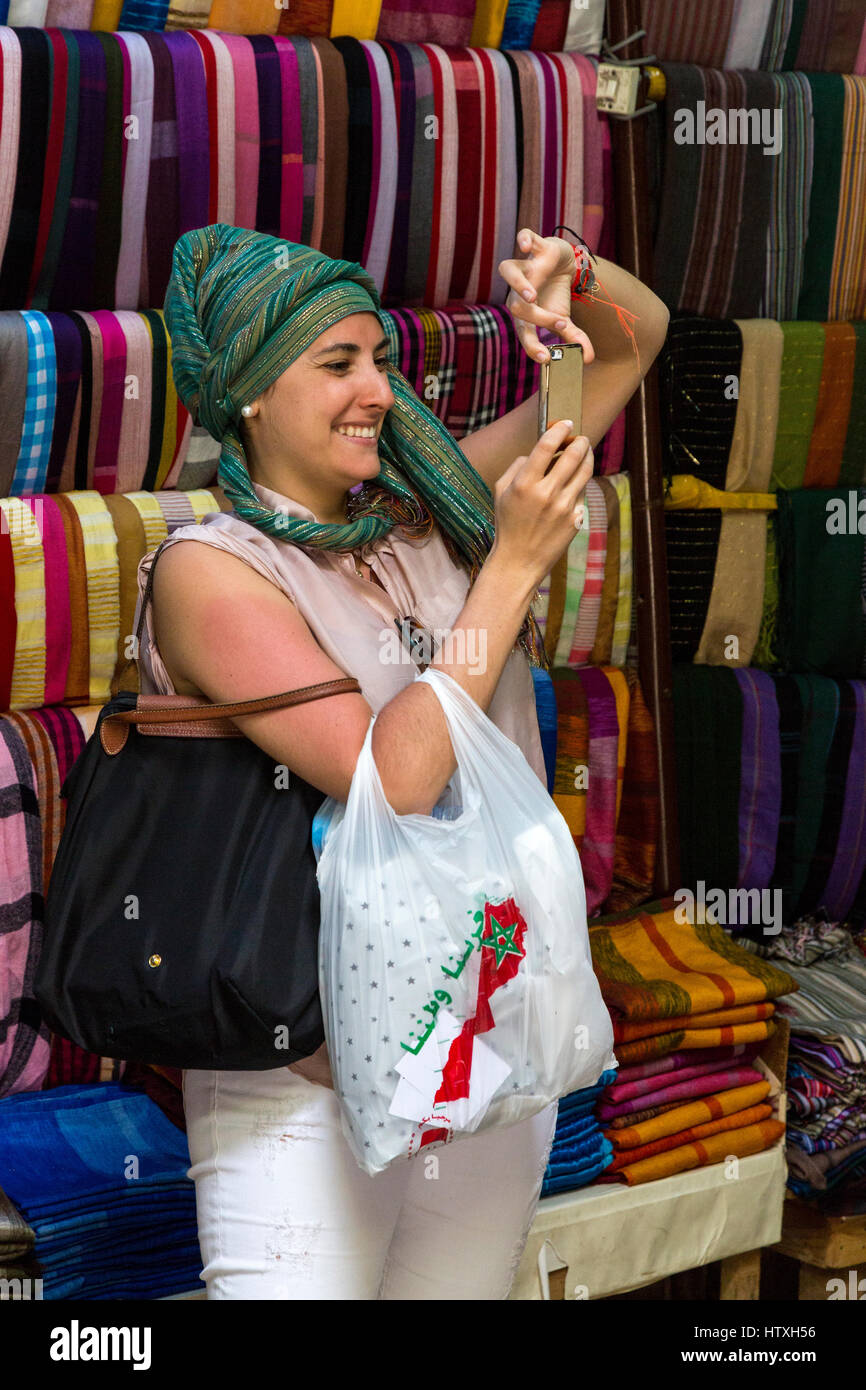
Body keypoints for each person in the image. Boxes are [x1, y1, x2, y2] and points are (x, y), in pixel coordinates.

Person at [134, 223, 669, 1299]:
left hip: (480, 1034)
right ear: (247, 390)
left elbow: (630, 340)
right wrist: (511, 565)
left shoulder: (431, 513)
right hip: (303, 1077)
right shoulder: (210, 573)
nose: (378, 389)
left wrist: (573, 274)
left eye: (377, 357)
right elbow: (396, 776)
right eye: (336, 364)